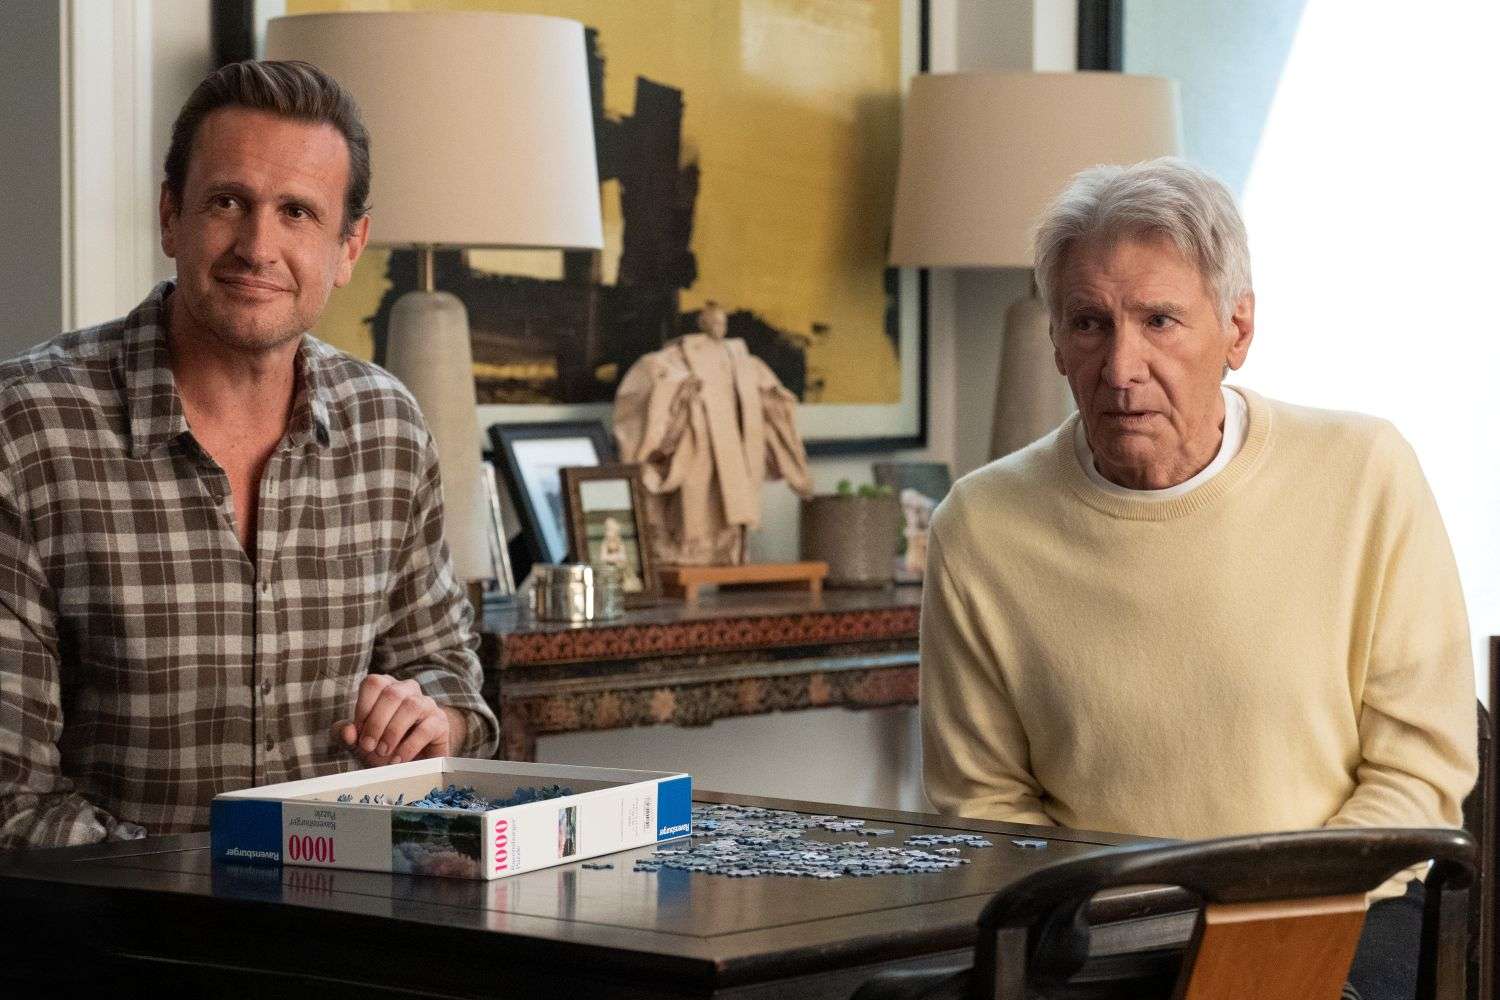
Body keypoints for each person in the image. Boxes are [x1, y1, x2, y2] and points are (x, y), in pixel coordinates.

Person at [920, 158, 1475, 999]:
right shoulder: (980, 525)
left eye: (1160, 320)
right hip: (1097, 936)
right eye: (1089, 323)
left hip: (1350, 909)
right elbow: (983, 804)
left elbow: (1418, 775)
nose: (1121, 367)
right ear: (1056, 341)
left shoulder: (1365, 472)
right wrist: (1120, 928)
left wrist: (1256, 938)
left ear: (1237, 329)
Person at [0, 61, 499, 851]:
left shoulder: (388, 430)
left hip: (354, 905)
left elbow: (452, 682)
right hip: (114, 919)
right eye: (227, 202)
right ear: (170, 216)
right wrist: (233, 882)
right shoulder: (26, 429)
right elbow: (12, 800)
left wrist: (431, 721)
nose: (258, 247)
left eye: (297, 212)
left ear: (348, 247)